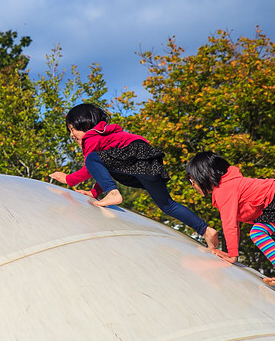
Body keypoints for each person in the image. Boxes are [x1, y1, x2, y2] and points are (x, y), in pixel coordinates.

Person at [49, 103, 219, 249]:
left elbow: (89, 167)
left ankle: (113, 193)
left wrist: (68, 179)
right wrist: (94, 193)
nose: (71, 135)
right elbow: (106, 169)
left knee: (93, 159)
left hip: (134, 154)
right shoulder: (106, 135)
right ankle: (205, 230)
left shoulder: (92, 136)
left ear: (85, 124)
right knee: (167, 205)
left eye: (72, 129)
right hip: (149, 160)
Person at [185, 151, 275, 299]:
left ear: (203, 174)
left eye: (191, 180)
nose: (192, 185)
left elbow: (229, 224)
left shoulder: (224, 190)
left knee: (257, 233)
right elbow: (236, 224)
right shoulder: (232, 184)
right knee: (273, 246)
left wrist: (232, 255)